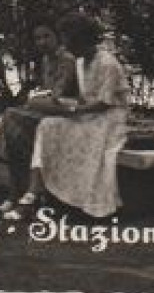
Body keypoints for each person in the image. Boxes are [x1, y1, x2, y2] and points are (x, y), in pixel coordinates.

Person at [10, 12, 129, 220]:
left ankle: (35, 196)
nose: (65, 45)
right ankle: (34, 193)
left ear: (81, 39)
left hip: (110, 119)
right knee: (48, 125)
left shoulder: (107, 63)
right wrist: (64, 105)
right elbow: (85, 99)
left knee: (66, 132)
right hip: (89, 115)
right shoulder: (81, 63)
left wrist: (72, 110)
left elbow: (104, 103)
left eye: (68, 40)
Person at [0, 20, 79, 199]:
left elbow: (57, 93)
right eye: (38, 38)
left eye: (47, 36)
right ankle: (9, 189)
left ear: (57, 37)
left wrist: (38, 98)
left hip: (66, 112)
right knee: (11, 129)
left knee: (11, 118)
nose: (42, 42)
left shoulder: (67, 59)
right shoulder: (46, 60)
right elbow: (46, 91)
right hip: (47, 111)